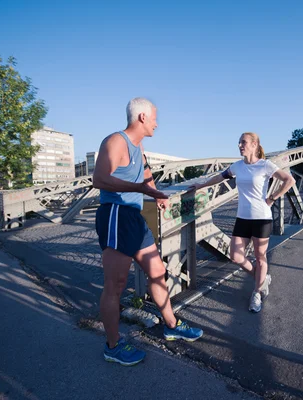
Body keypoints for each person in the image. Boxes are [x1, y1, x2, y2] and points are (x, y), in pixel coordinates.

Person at [93, 97, 203, 366]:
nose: (156, 123)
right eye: (154, 117)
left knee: (157, 272)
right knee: (115, 286)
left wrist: (155, 193)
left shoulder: (138, 147)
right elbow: (99, 179)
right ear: (142, 117)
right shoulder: (116, 141)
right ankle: (113, 345)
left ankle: (171, 325)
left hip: (134, 217)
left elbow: (146, 174)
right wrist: (141, 190)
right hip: (116, 214)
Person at [190, 132, 295, 312]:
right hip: (243, 218)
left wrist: (272, 198)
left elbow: (289, 180)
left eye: (243, 142)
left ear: (254, 145)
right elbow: (219, 178)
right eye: (239, 142)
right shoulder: (237, 166)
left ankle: (257, 293)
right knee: (236, 256)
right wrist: (201, 185)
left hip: (261, 218)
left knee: (260, 258)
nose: (240, 145)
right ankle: (262, 280)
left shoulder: (265, 165)